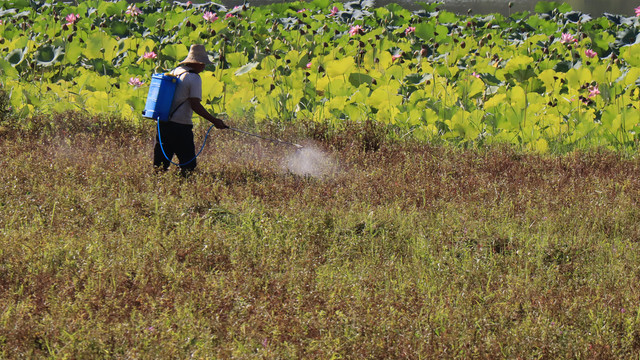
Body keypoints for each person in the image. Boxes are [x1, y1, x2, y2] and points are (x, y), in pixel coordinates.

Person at [154, 44, 229, 175]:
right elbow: (195, 104)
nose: (204, 67)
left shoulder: (174, 71)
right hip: (180, 127)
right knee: (188, 165)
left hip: (163, 123)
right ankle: (183, 189)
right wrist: (214, 120)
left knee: (160, 166)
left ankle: (160, 188)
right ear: (197, 63)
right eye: (203, 63)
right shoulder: (193, 77)